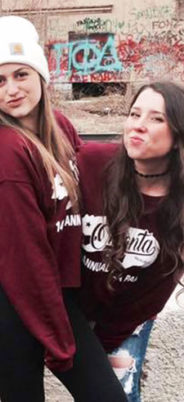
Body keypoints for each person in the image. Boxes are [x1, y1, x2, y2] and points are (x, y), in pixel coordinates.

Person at [0, 16, 127, 401]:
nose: (12, 89)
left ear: (41, 75)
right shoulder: (7, 148)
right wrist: (59, 340)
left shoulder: (60, 128)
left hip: (51, 289)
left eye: (21, 74)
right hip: (7, 294)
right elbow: (24, 253)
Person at [77, 81, 184, 401]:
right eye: (135, 114)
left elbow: (155, 292)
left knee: (118, 393)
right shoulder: (91, 162)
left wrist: (106, 341)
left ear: (178, 136)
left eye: (156, 118)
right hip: (72, 307)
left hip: (128, 317)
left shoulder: (179, 204)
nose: (138, 125)